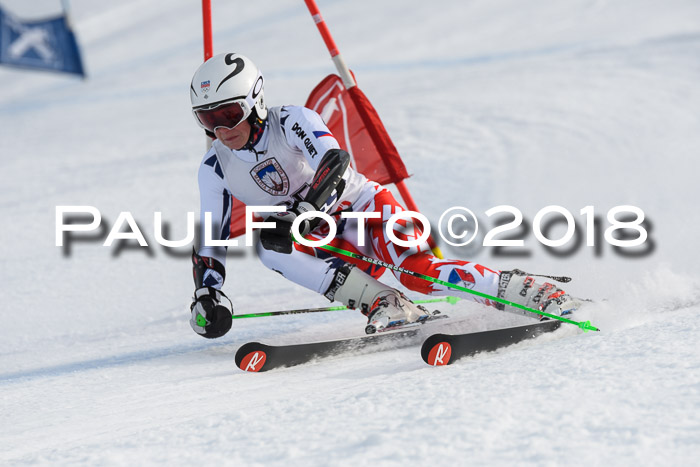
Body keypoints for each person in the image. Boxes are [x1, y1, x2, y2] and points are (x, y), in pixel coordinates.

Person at [187, 53, 579, 339]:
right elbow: (211, 238)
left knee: (423, 275)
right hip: (327, 240)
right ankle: (384, 303)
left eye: (228, 114)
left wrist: (305, 211)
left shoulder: (290, 120)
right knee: (270, 247)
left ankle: (530, 292)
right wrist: (208, 293)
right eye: (208, 119)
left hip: (365, 209)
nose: (221, 129)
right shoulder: (215, 166)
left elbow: (335, 163)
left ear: (254, 101)